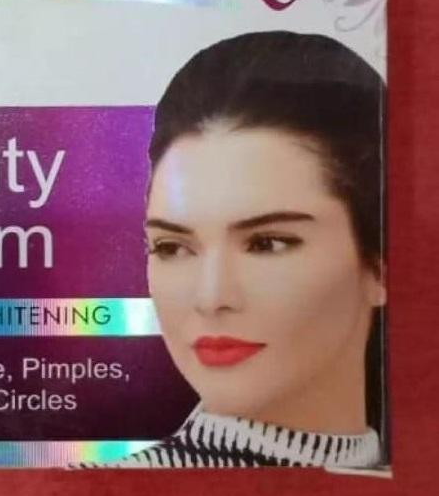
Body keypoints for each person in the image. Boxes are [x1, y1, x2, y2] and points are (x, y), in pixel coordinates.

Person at [84, 31, 387, 469]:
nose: (211, 298)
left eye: (267, 244)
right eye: (172, 247)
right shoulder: (93, 492)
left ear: (379, 266)